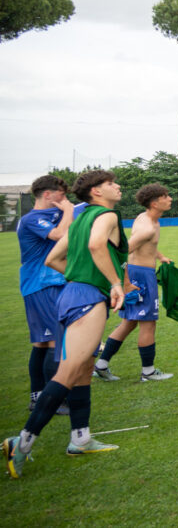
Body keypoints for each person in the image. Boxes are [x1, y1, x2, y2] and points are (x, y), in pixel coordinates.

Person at [4, 171, 130, 478]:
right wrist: (113, 283)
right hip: (86, 299)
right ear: (97, 192)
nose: (118, 186)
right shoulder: (105, 215)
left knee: (83, 369)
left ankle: (80, 438)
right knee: (70, 371)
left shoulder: (80, 220)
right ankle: (22, 442)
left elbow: (53, 260)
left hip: (72, 295)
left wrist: (80, 279)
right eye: (112, 183)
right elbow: (98, 246)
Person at [92, 184, 175, 382]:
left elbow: (146, 246)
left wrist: (160, 256)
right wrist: (126, 281)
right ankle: (148, 371)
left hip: (141, 273)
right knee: (148, 324)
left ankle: (101, 366)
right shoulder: (147, 228)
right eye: (166, 196)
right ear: (155, 203)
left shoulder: (145, 218)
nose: (170, 199)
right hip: (141, 276)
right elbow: (124, 251)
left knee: (128, 323)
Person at [17, 175, 74, 412]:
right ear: (47, 194)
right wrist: (69, 211)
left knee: (41, 342)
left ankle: (37, 397)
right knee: (53, 340)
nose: (65, 199)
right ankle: (53, 400)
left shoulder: (53, 215)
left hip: (47, 283)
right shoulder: (31, 219)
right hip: (41, 284)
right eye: (61, 194)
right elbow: (59, 236)